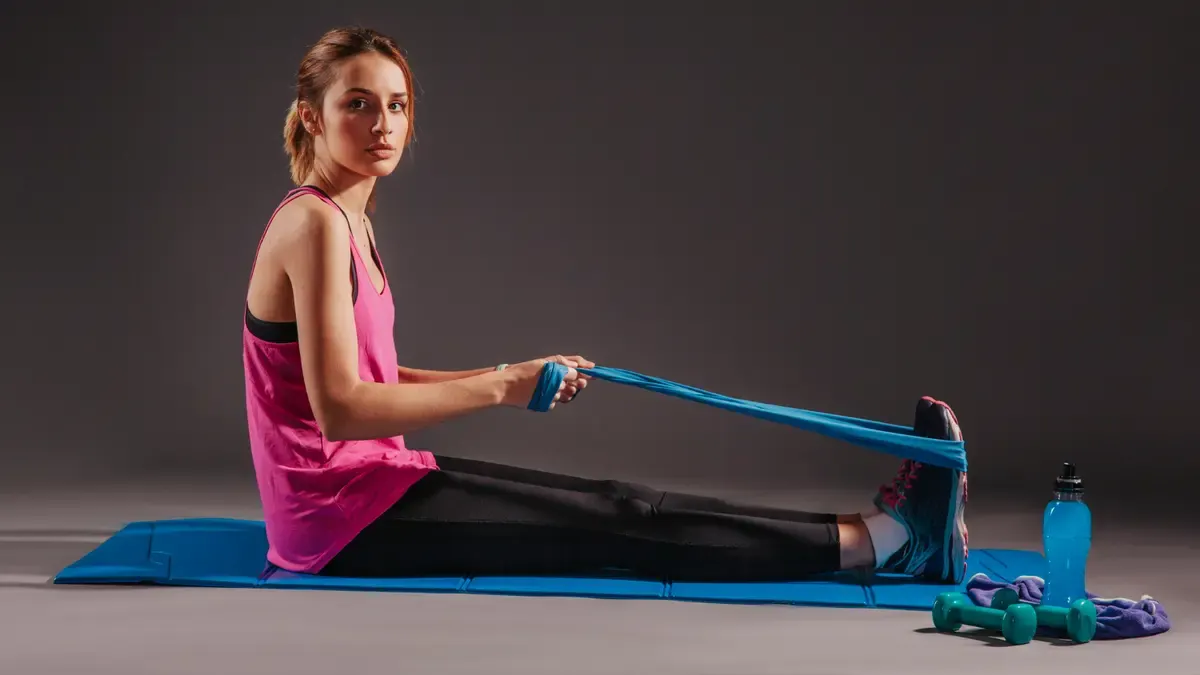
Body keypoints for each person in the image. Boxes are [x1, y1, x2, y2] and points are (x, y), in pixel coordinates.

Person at [242, 26, 969, 585]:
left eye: (396, 105)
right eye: (358, 104)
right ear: (311, 117)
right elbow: (339, 408)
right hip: (337, 523)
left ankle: (880, 531)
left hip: (368, 488)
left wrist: (511, 369)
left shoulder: (348, 220)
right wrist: (502, 389)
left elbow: (368, 376)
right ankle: (892, 543)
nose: (383, 124)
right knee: (615, 524)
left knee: (621, 497)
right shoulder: (312, 223)